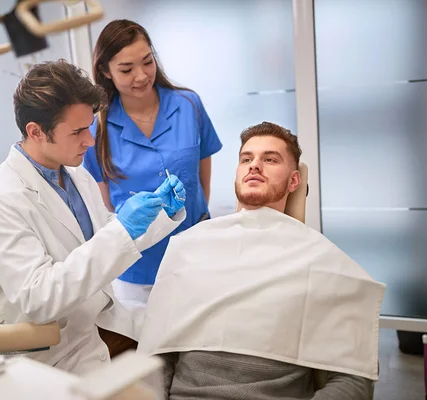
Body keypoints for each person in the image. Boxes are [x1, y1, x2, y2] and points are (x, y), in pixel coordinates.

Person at [137, 122, 386, 399]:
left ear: (294, 181)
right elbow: (157, 358)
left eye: (270, 159)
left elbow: (353, 377)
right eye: (246, 159)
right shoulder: (189, 247)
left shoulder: (322, 261)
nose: (254, 165)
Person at [0, 60, 188, 375]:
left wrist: (159, 215)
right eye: (77, 131)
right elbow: (40, 298)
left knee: (187, 347)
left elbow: (107, 244)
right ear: (35, 131)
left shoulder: (74, 174)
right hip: (55, 355)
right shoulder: (0, 201)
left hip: (101, 325)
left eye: (89, 126)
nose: (89, 141)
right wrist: (122, 230)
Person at [83, 19, 223, 310]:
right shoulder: (96, 129)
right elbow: (105, 204)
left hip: (197, 255)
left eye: (147, 62)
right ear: (106, 72)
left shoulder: (188, 105)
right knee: (145, 350)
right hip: (137, 270)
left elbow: (202, 182)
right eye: (126, 69)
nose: (141, 75)